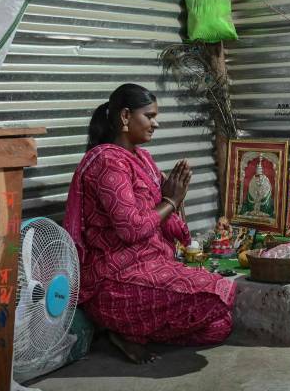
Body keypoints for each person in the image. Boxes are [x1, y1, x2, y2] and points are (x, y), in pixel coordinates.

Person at [64, 83, 236, 363]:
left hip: (150, 265)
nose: (155, 124)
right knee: (221, 293)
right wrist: (169, 201)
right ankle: (117, 325)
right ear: (125, 117)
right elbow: (131, 229)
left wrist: (176, 201)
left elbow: (167, 222)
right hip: (115, 278)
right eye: (150, 116)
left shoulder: (142, 158)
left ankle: (128, 332)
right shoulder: (107, 162)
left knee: (220, 326)